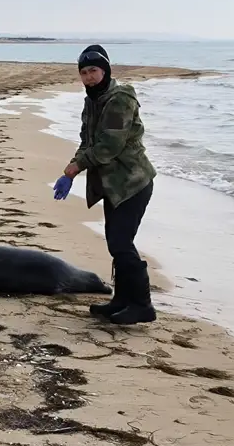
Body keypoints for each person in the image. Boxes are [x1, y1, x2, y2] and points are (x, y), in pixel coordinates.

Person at [53, 45, 157, 325]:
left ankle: (142, 305)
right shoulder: (92, 101)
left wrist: (75, 168)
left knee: (122, 243)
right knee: (116, 243)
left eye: (93, 71)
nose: (88, 77)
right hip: (113, 185)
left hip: (132, 182)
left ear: (106, 71)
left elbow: (109, 146)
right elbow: (87, 142)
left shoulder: (120, 99)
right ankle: (121, 300)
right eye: (84, 73)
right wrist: (71, 169)